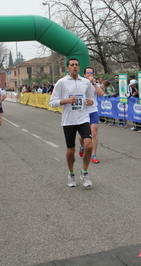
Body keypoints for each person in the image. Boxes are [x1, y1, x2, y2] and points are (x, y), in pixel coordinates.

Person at [49, 58, 95, 187]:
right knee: (70, 151)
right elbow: (52, 102)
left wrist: (90, 102)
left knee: (89, 145)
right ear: (67, 68)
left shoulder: (86, 82)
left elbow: (91, 99)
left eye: (76, 65)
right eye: (71, 65)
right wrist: (66, 101)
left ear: (79, 68)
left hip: (83, 118)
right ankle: (71, 173)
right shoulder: (61, 83)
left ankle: (84, 172)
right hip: (68, 120)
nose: (74, 67)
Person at [77, 66, 105, 164]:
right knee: (82, 136)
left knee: (93, 133)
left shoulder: (95, 84)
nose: (90, 74)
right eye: (88, 73)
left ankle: (93, 155)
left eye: (91, 73)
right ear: (84, 75)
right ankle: (82, 146)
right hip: (83, 111)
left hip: (93, 110)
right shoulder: (80, 84)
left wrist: (93, 83)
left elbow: (101, 94)